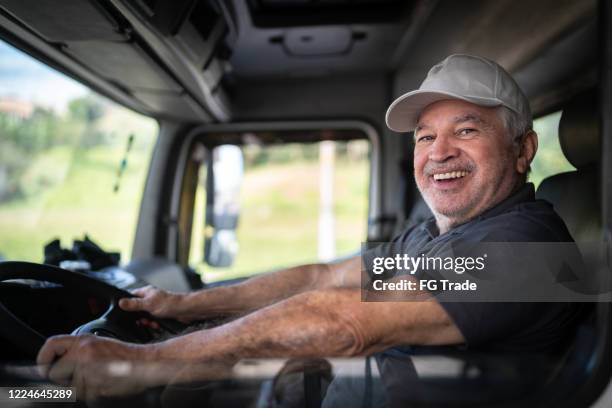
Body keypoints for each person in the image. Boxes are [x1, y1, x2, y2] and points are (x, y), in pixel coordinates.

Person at [36, 54, 585, 401]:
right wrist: (183, 306)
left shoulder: (523, 251)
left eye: (466, 130)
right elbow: (325, 277)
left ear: (522, 150)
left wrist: (140, 365)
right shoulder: (436, 238)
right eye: (424, 136)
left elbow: (345, 321)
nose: (439, 152)